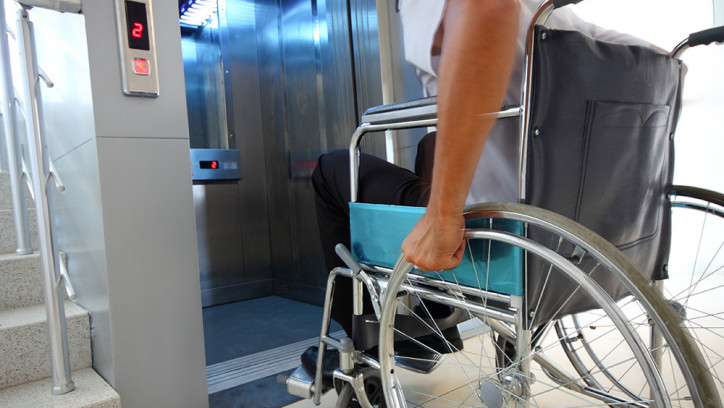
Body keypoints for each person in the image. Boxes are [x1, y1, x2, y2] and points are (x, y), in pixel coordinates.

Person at [311, 0, 650, 339]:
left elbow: (488, 8)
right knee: (429, 146)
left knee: (333, 169)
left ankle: (370, 341)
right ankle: (437, 312)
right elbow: (655, 57)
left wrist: (442, 216)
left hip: (498, 225)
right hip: (587, 228)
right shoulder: (553, 13)